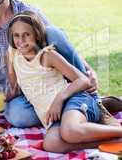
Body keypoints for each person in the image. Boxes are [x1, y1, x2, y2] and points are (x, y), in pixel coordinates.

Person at [0, 0, 122, 127]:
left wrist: (87, 70)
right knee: (19, 117)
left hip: (44, 83)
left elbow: (59, 41)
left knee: (52, 31)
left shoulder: (28, 12)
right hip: (12, 92)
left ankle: (94, 103)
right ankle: (79, 106)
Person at [7, 10, 122, 153]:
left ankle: (117, 130)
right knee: (52, 144)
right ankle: (113, 141)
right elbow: (13, 87)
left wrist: (59, 99)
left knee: (70, 131)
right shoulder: (12, 55)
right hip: (55, 117)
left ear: (36, 35)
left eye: (26, 35)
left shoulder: (47, 55)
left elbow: (83, 80)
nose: (21, 40)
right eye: (16, 35)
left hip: (72, 100)